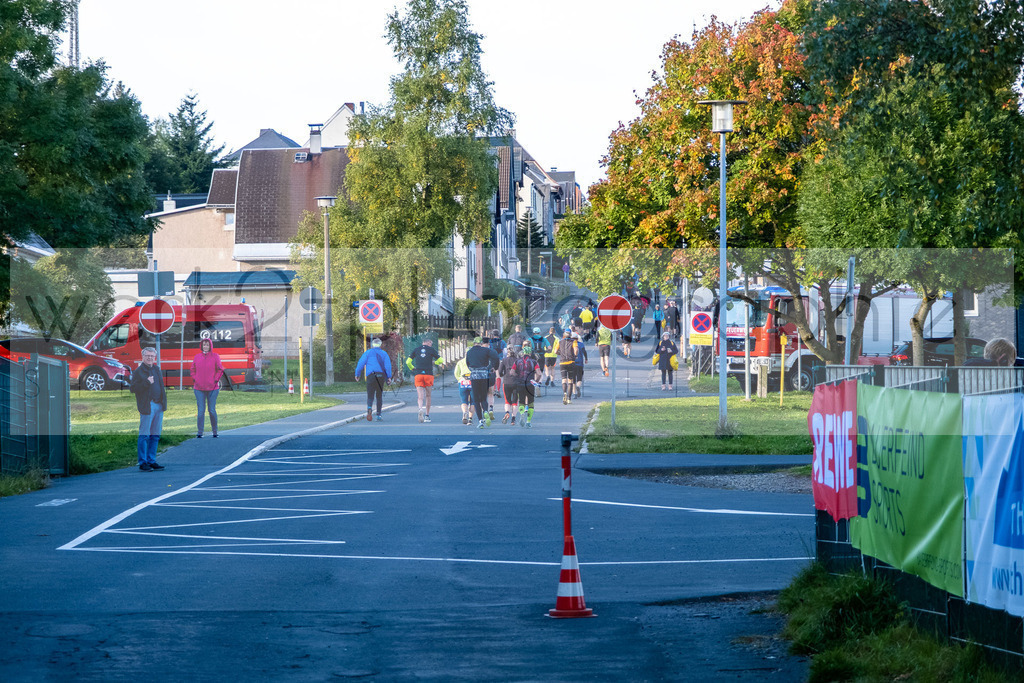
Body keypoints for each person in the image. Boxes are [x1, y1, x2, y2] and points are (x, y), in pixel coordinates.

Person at [130, 347, 166, 472]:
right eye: (147, 356)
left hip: (158, 405)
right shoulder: (138, 371)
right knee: (144, 434)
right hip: (147, 405)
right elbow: (133, 388)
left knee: (155, 435)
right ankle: (143, 462)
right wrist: (146, 382)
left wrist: (163, 402)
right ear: (143, 356)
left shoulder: (157, 369)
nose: (150, 358)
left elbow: (161, 387)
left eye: (152, 356)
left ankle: (152, 460)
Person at [190, 338, 225, 439]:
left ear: (210, 346)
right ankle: (200, 432)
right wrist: (195, 378)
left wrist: (215, 380)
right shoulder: (197, 357)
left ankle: (215, 431)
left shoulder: (215, 356)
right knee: (201, 411)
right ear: (201, 346)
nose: (205, 347)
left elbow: (220, 369)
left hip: (213, 388)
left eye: (207, 345)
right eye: (204, 345)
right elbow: (192, 369)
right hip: (199, 388)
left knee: (211, 410)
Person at [355, 338, 392, 421]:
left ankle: (369, 407)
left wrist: (357, 374)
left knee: (370, 395)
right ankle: (379, 415)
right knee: (379, 395)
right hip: (380, 376)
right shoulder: (384, 353)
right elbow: (388, 366)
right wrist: (388, 377)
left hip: (371, 376)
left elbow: (361, 363)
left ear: (372, 345)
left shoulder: (368, 353)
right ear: (380, 345)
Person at [406, 338, 443, 423]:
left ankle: (420, 408)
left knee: (420, 396)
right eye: (431, 343)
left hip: (418, 374)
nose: (431, 345)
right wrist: (435, 363)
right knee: (428, 396)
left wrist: (412, 368)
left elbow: (408, 362)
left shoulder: (416, 350)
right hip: (428, 375)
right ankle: (427, 415)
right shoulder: (431, 350)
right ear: (428, 342)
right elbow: (441, 360)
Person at [465, 337, 498, 428]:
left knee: (476, 399)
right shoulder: (486, 351)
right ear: (481, 343)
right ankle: (486, 411)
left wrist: (473, 370)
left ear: (474, 343)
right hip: (484, 376)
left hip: (474, 376)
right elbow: (495, 356)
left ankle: (480, 421)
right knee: (484, 398)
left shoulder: (469, 352)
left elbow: (468, 364)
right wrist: (492, 367)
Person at [553, 328, 580, 404]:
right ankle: (569, 398)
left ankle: (564, 393)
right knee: (570, 380)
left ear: (564, 334)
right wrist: (575, 355)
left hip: (562, 363)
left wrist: (560, 354)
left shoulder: (560, 342)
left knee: (564, 379)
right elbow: (576, 350)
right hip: (571, 362)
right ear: (570, 334)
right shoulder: (573, 341)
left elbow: (555, 351)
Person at [498, 346, 521, 425]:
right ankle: (513, 419)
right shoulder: (518, 361)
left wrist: (503, 374)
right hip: (516, 383)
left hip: (506, 382)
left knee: (507, 401)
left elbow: (500, 372)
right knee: (515, 402)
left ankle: (507, 412)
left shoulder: (504, 360)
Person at [453, 354, 474, 425]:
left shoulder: (460, 362)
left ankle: (465, 412)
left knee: (464, 400)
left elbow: (456, 373)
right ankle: (470, 419)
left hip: (463, 381)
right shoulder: (474, 361)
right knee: (473, 401)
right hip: (472, 381)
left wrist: (459, 379)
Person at [571, 333, 589, 398]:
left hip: (572, 363)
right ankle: (578, 387)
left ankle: (574, 393)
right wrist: (586, 359)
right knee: (579, 378)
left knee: (573, 380)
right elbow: (584, 352)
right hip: (580, 363)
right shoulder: (581, 344)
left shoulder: (570, 344)